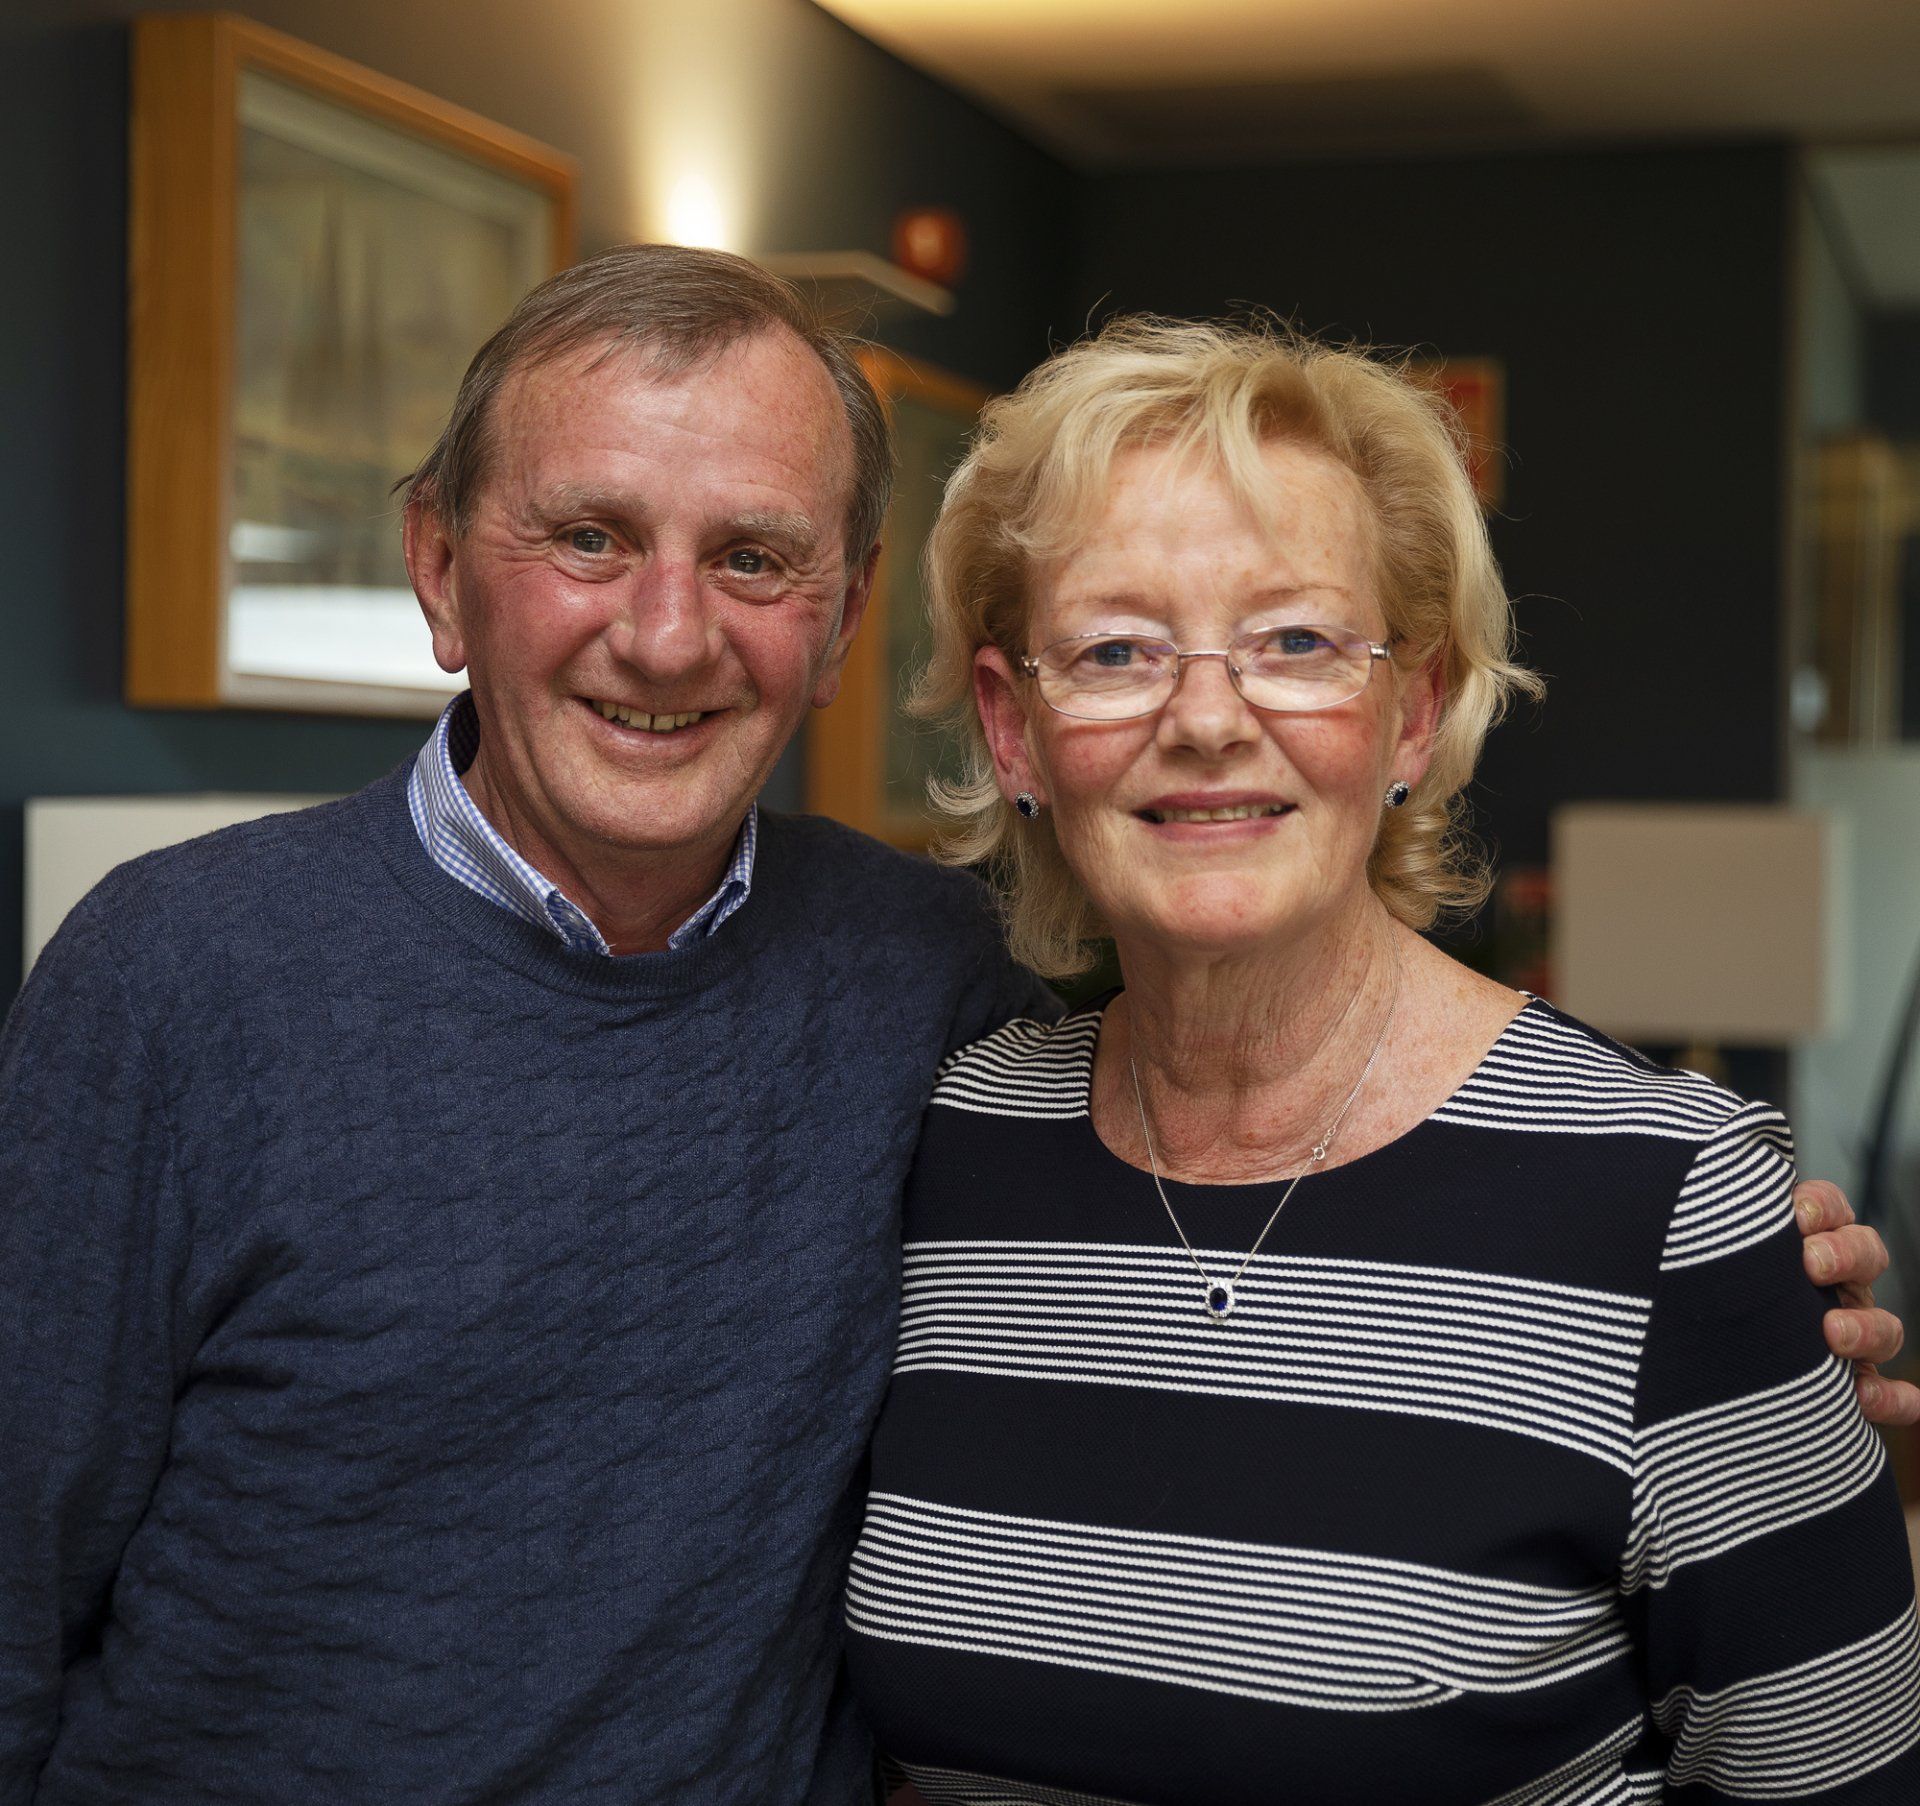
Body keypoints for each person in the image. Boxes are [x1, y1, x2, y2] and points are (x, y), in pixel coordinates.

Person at [0, 250, 1902, 1806]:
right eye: (587, 536)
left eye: (752, 557)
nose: (667, 635)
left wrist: (1732, 1296)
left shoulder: (921, 992)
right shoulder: (184, 976)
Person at [843, 316, 1920, 1804]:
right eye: (1116, 649)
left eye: (1294, 639)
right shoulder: (949, 1141)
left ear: (1410, 712)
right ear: (1015, 730)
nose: (1208, 716)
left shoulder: (1667, 1206)